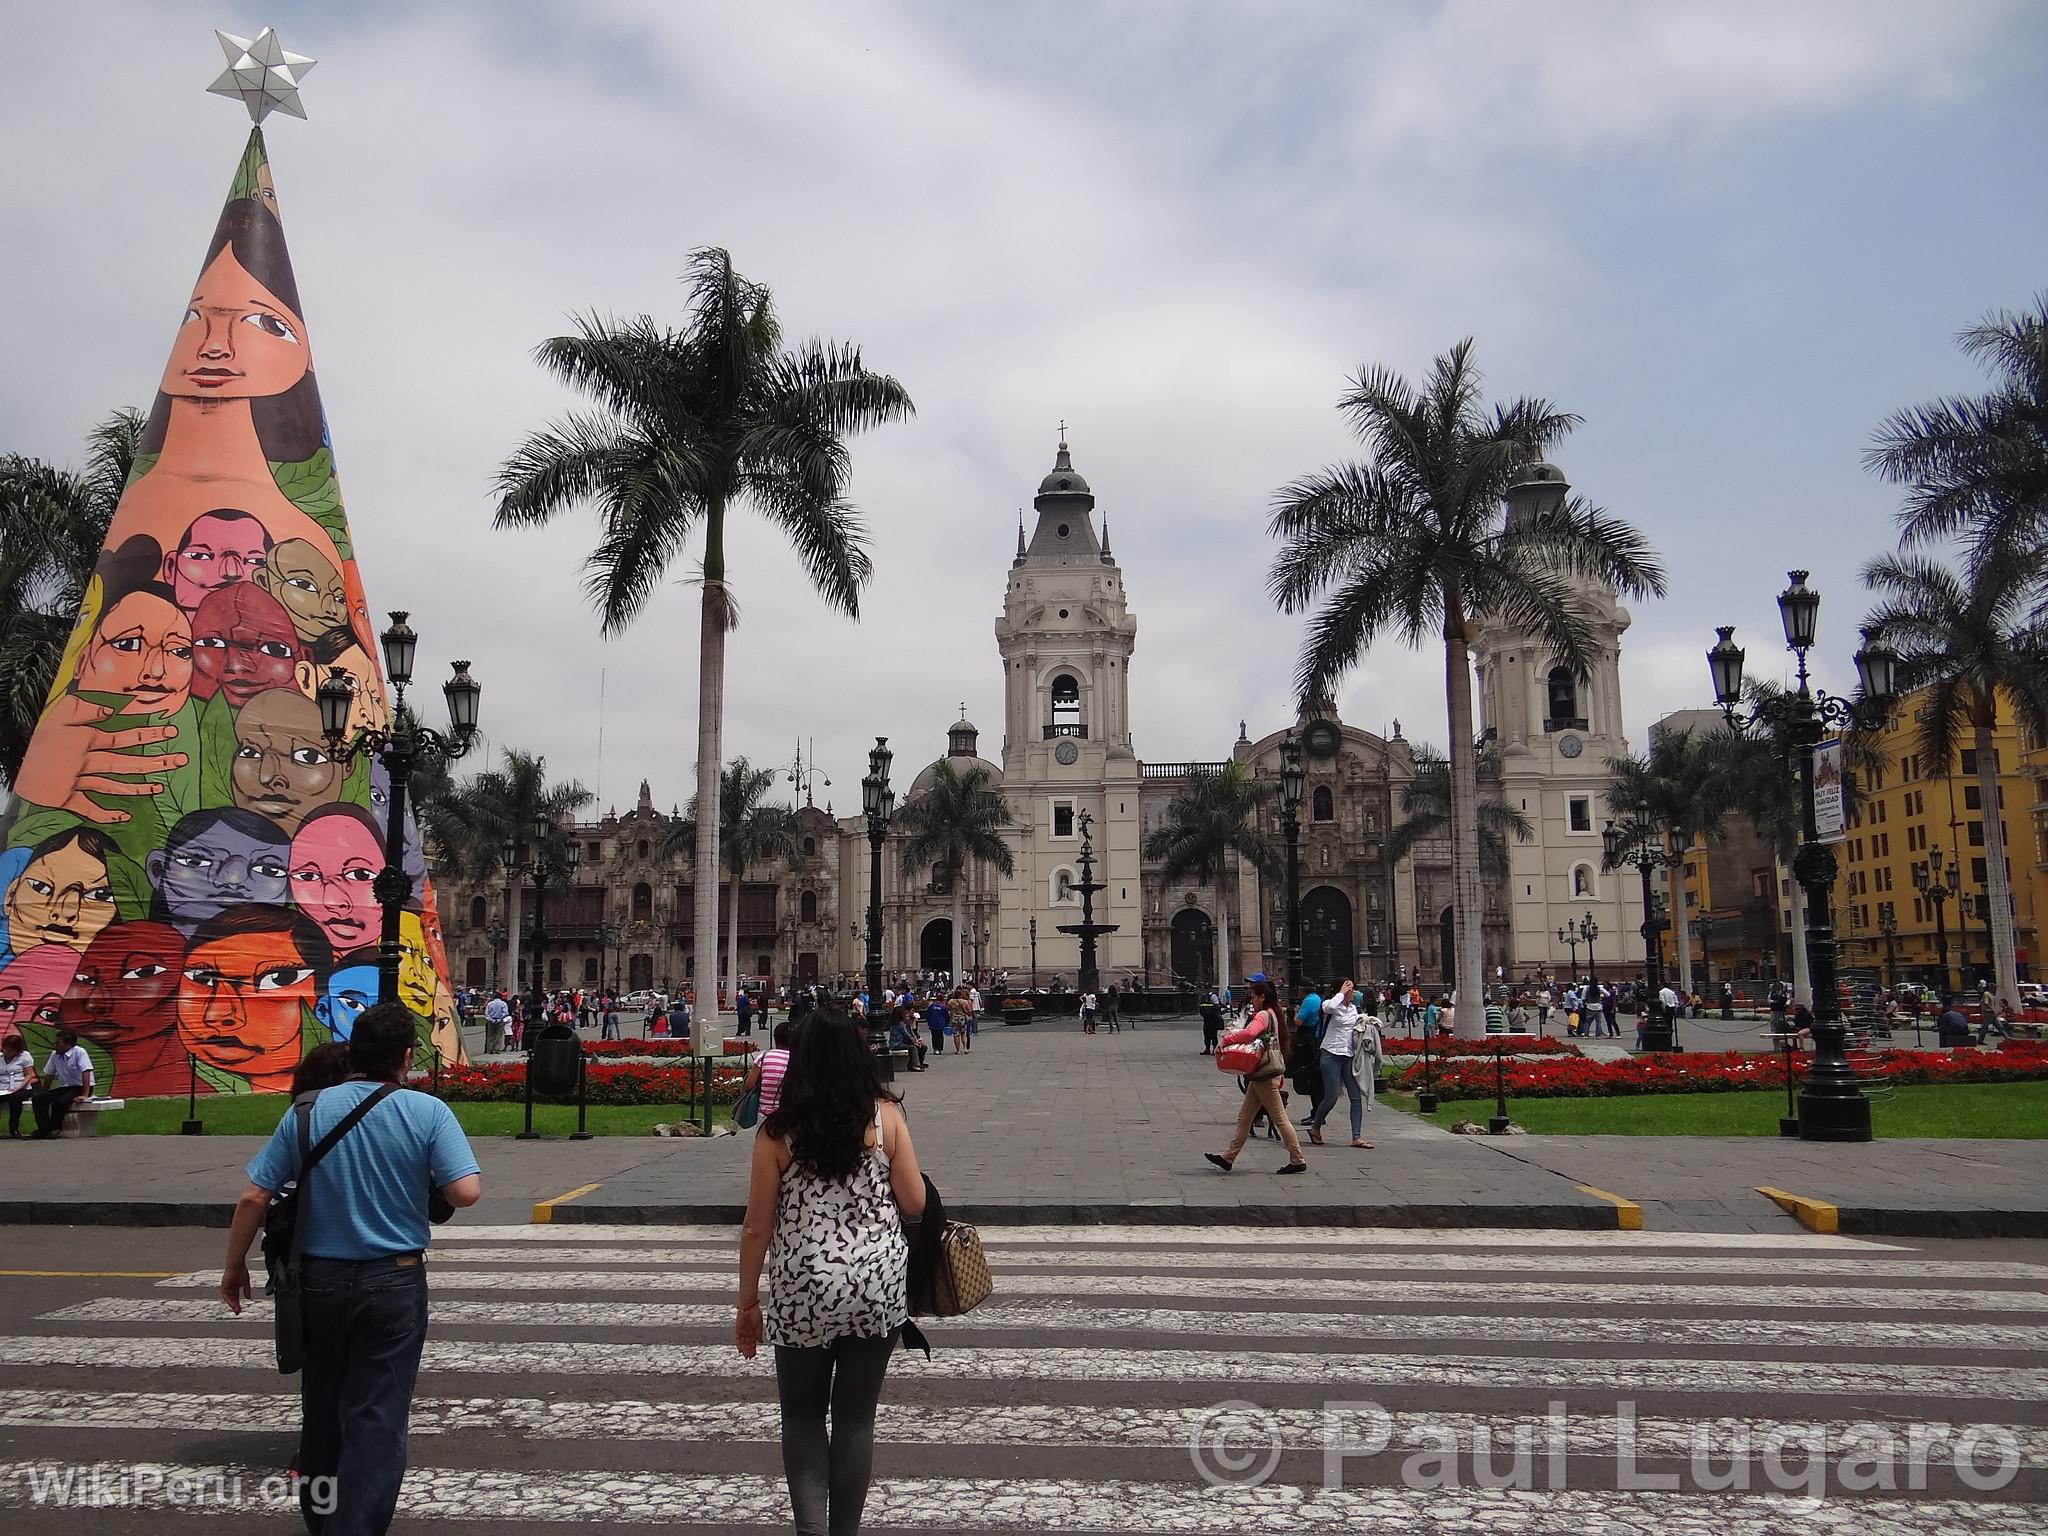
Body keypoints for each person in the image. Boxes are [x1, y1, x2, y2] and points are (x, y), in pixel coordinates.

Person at [220, 1001, 482, 1536]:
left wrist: (234, 1268)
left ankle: (322, 1521)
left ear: (354, 1052)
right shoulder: (427, 1111)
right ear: (407, 1056)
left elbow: (253, 1197)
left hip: (317, 1281)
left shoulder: (306, 1110)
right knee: (377, 1416)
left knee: (321, 1409)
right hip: (393, 1279)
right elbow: (465, 1192)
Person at [737, 1007, 926, 1536]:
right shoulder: (885, 1118)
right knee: (855, 1419)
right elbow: (913, 1201)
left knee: (800, 1416)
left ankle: (810, 1531)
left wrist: (747, 1303)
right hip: (877, 1284)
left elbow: (756, 1227)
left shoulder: (778, 1133)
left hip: (804, 1287)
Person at [1204, 977, 1308, 1175]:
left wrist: (1227, 1039)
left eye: (1254, 997)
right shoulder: (1273, 1014)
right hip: (1263, 1073)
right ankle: (1228, 1157)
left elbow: (1249, 1034)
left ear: (1262, 997)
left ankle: (1297, 1159)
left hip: (1264, 1074)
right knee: (1245, 1118)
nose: (1251, 1000)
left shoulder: (1263, 1015)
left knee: (1279, 1118)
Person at [1307, 981, 1372, 1150]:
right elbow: (1327, 1008)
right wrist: (1341, 993)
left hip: (1348, 1055)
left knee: (1355, 1095)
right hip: (1331, 1054)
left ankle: (1356, 1136)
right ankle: (1316, 1126)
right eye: (1350, 989)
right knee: (1332, 1096)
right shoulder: (1330, 1005)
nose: (1353, 992)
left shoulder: (1353, 1009)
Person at [30, 1027, 96, 1139]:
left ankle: (56, 1128)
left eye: (58, 1043)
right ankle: (45, 1129)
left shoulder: (79, 1052)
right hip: (66, 1087)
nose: (55, 1045)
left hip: (81, 1087)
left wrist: (85, 1095)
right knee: (38, 1099)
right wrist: (44, 1092)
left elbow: (86, 1073)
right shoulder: (54, 1055)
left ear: (68, 1044)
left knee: (60, 1102)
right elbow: (49, 1075)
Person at [742, 1018, 798, 1116]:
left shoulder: (763, 1057)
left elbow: (749, 1085)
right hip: (789, 1114)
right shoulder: (797, 1059)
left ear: (775, 1038)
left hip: (764, 1114)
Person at [0, 1034, 36, 1138]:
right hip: (3, 1087)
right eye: (6, 1050)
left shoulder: (25, 1057)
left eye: (11, 1051)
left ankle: (14, 1128)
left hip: (21, 1087)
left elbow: (29, 1075)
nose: (8, 1053)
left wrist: (18, 1088)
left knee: (15, 1099)